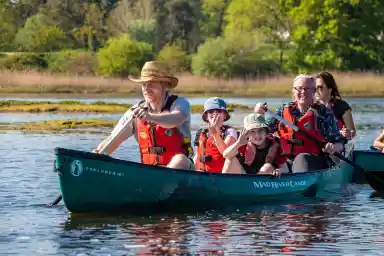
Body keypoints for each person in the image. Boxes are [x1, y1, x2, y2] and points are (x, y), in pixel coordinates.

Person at [93, 61, 194, 170]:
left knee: (180, 160)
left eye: (151, 83)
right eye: (143, 84)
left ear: (164, 85)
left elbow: (175, 119)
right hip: (149, 172)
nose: (146, 88)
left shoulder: (180, 103)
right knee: (105, 158)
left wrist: (150, 117)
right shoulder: (134, 111)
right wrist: (95, 155)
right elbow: (113, 139)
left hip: (183, 170)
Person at [254, 74, 345, 173]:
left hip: (315, 161)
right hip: (287, 161)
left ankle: (297, 182)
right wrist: (259, 114)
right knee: (266, 168)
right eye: (299, 88)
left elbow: (340, 143)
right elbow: (265, 131)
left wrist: (334, 147)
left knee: (301, 159)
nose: (303, 91)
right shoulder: (281, 111)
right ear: (293, 90)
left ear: (314, 91)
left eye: (307, 88)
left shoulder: (324, 113)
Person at [222, 113, 286, 176]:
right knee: (230, 158)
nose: (257, 135)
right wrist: (238, 143)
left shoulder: (275, 143)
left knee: (268, 167)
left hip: (262, 181)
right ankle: (224, 184)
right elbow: (225, 155)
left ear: (266, 132)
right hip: (245, 176)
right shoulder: (242, 142)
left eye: (260, 130)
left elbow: (283, 165)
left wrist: (278, 170)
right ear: (247, 133)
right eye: (252, 131)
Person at [193, 97, 237, 172]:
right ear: (206, 116)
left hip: (222, 174)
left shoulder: (230, 132)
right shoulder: (200, 132)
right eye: (211, 111)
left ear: (225, 115)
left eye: (219, 111)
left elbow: (226, 153)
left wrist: (215, 133)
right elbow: (197, 156)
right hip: (201, 173)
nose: (215, 113)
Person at [315, 71, 356, 140]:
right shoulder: (311, 106)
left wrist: (347, 133)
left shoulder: (342, 106)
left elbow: (352, 131)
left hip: (337, 144)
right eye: (315, 87)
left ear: (330, 89)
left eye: (320, 87)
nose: (316, 91)